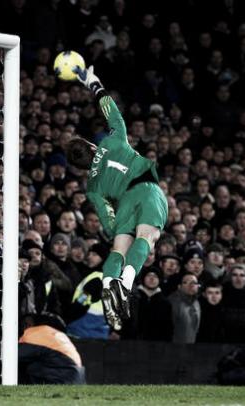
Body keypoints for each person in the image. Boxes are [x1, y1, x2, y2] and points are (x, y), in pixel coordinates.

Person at [66, 66, 168, 330]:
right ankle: (127, 282)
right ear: (91, 146)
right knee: (147, 238)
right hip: (146, 190)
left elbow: (109, 223)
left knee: (119, 248)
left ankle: (109, 282)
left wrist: (121, 228)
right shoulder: (114, 140)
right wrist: (94, 83)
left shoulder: (92, 186)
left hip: (124, 204)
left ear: (80, 167)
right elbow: (111, 110)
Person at [18, 313, 85, 384]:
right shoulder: (55, 335)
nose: (25, 327)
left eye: (25, 324)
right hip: (74, 379)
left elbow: (12, 354)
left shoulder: (37, 333)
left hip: (59, 380)